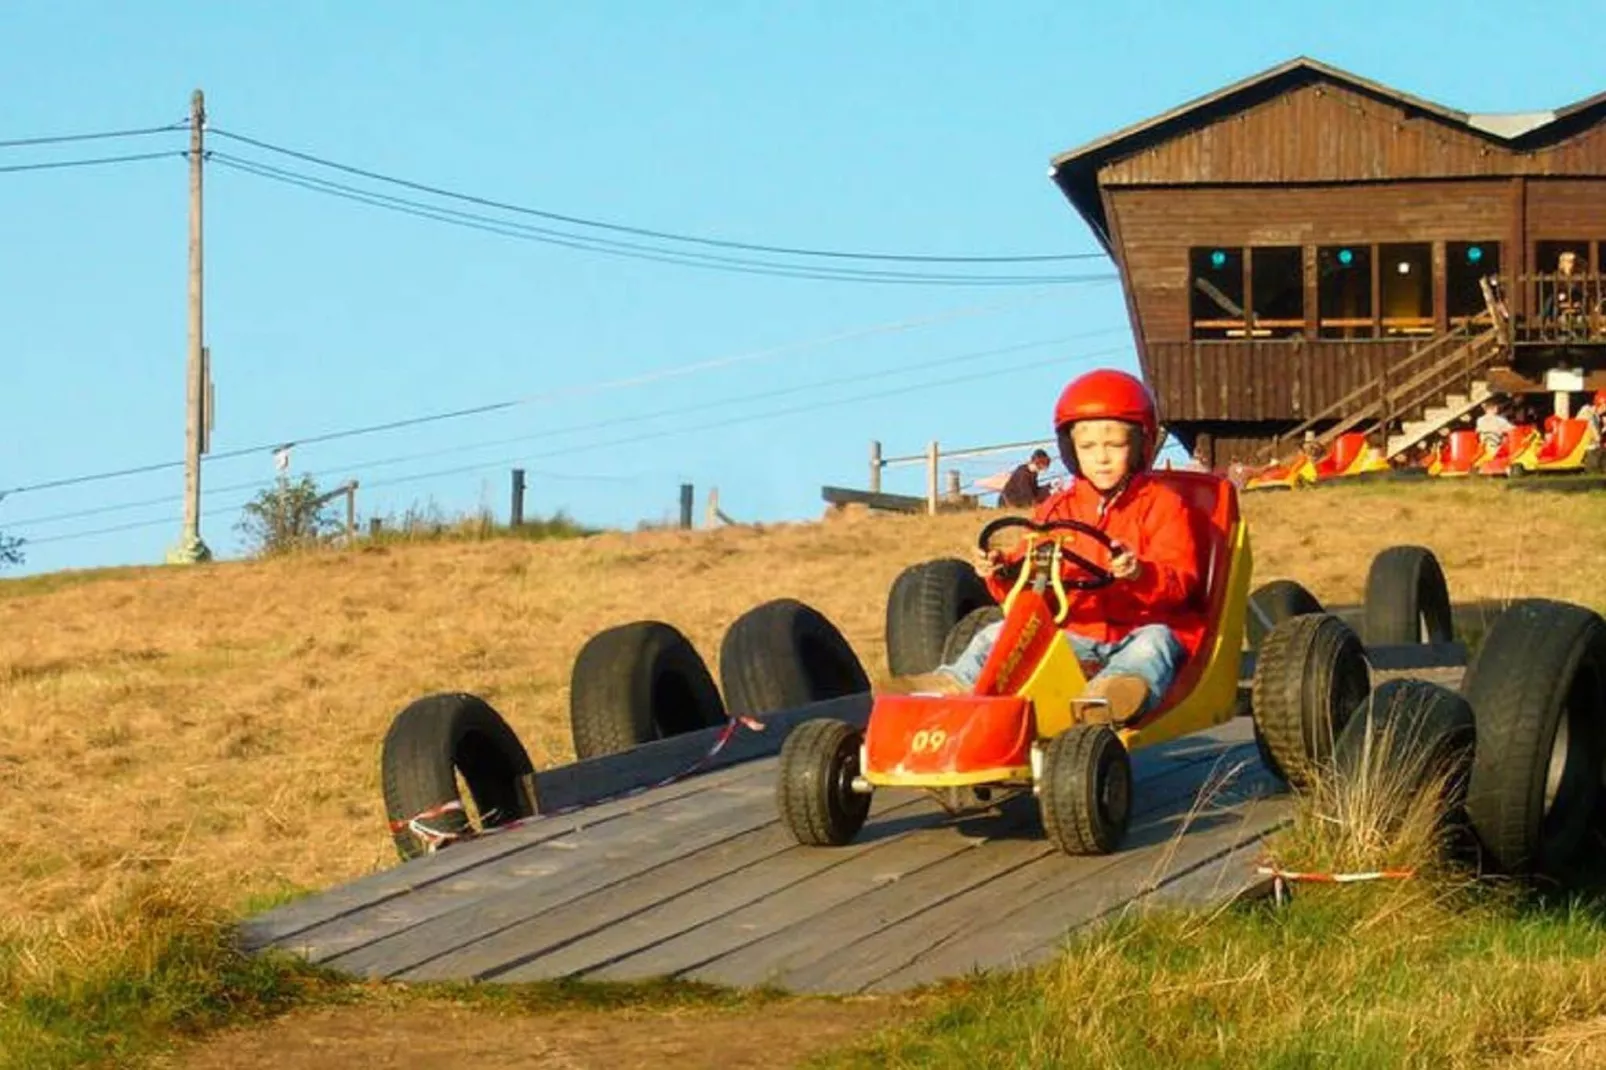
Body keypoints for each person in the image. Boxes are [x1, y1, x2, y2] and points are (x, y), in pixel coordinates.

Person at [881, 369, 1202, 724]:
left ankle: (1109, 695)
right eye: (1089, 447)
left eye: (1115, 445)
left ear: (1141, 445)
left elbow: (1182, 581)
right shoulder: (1057, 509)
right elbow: (1029, 579)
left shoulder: (1164, 505)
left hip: (1140, 627)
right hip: (1074, 634)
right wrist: (1001, 570)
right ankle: (952, 683)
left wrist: (1141, 573)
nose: (1102, 457)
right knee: (996, 632)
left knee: (1154, 645)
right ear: (1071, 451)